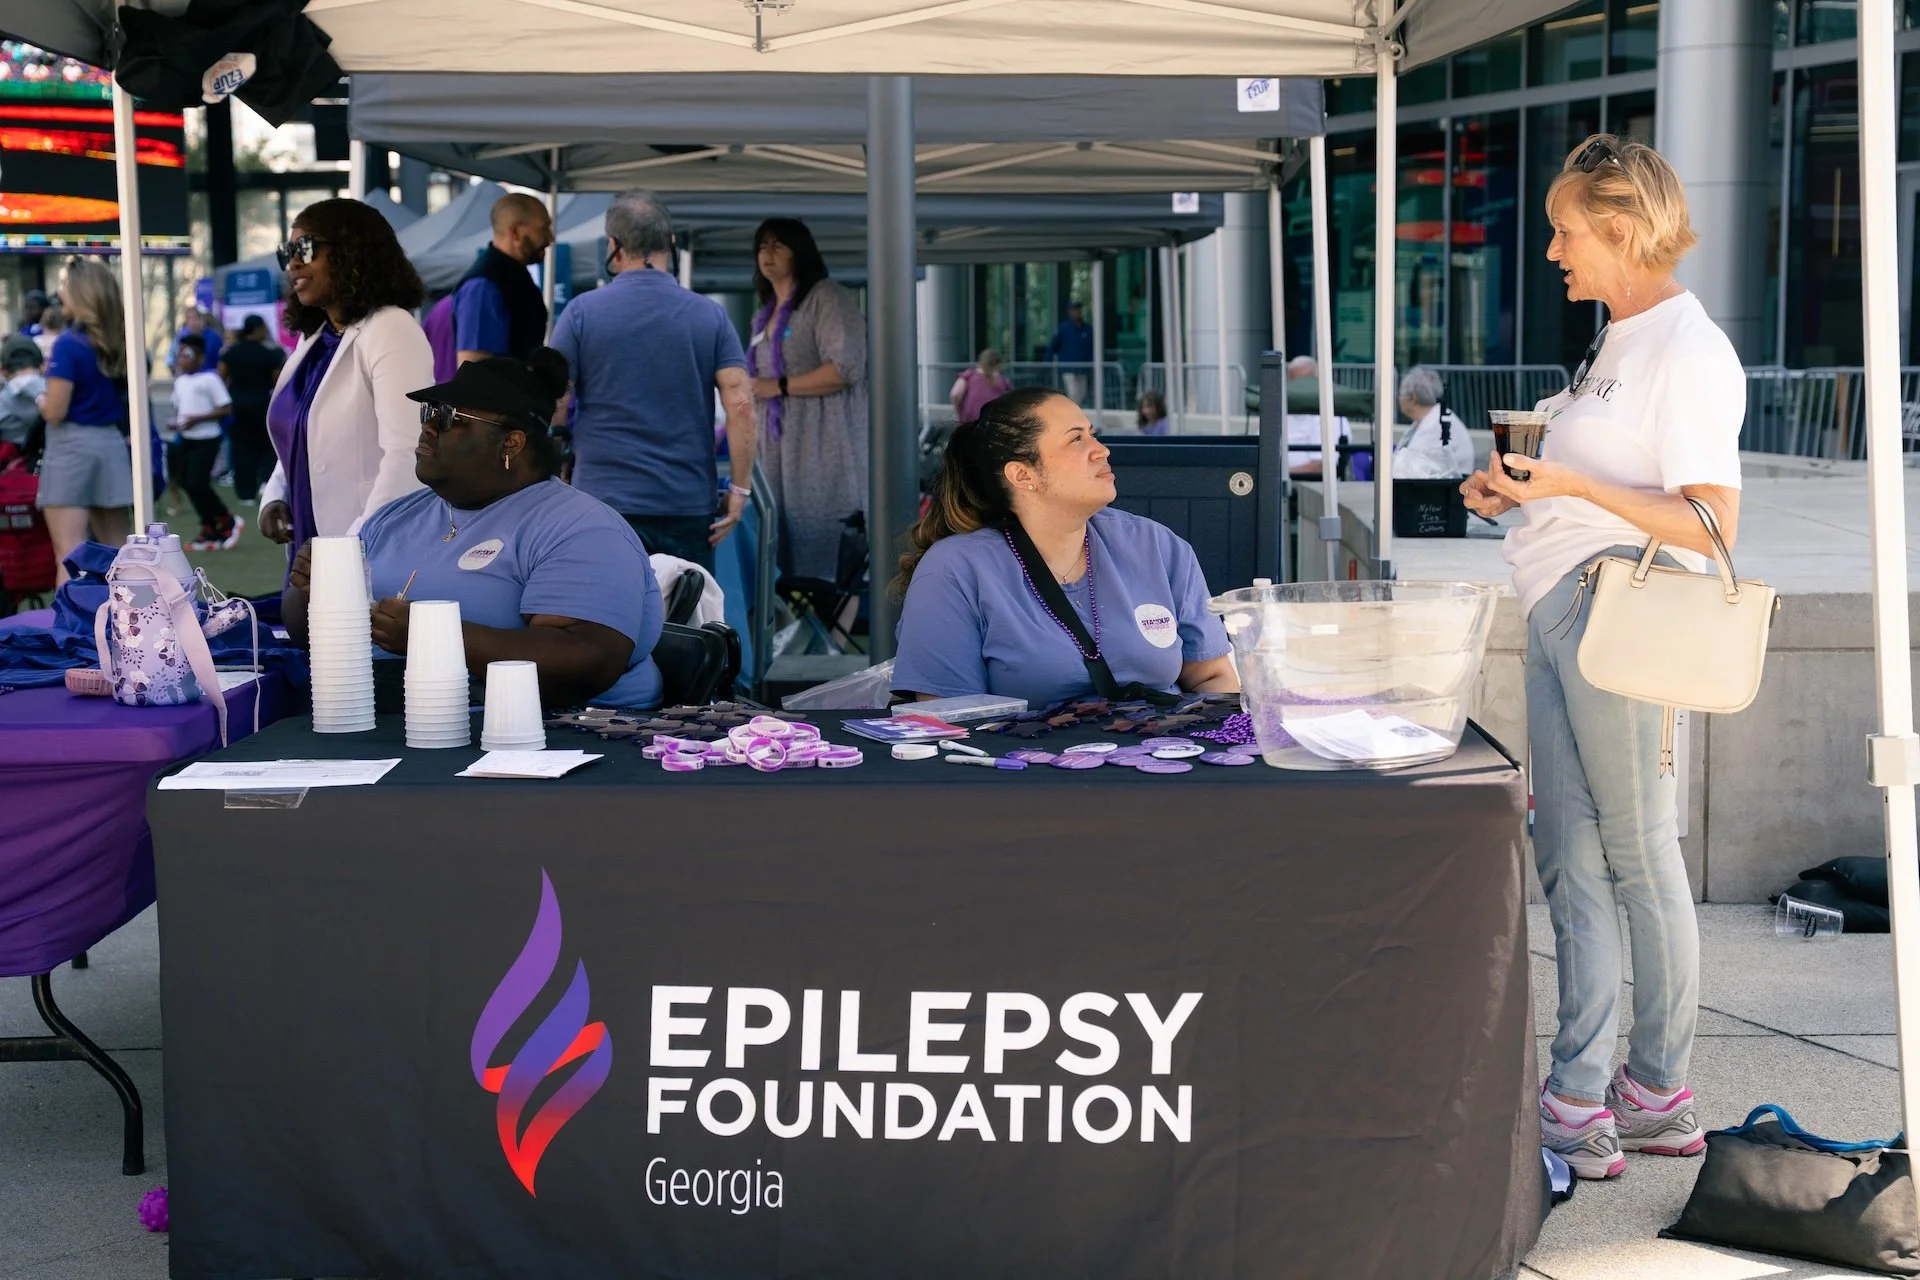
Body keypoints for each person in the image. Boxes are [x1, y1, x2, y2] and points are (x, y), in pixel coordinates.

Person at [1460, 134, 1742, 1181]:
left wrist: (1571, 491)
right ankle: (1579, 1093)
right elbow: (1591, 483)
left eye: (1564, 230)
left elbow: (1712, 523)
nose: (1550, 251)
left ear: (1621, 229)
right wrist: (1515, 491)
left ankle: (1659, 1087)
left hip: (1614, 614)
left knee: (1636, 851)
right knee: (1570, 857)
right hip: (1558, 607)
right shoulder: (1615, 343)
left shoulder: (1688, 349)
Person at [282, 348, 664, 710]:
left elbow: (585, 660)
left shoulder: (579, 529)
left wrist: (432, 636)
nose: (429, 426)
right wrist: (311, 588)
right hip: (392, 718)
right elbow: (307, 635)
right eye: (430, 412)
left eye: (450, 418)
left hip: (546, 737)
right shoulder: (395, 518)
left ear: (511, 443)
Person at [892, 386, 1238, 707]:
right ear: (1022, 475)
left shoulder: (1158, 547)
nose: (1102, 450)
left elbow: (1212, 677)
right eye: (1076, 439)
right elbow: (949, 718)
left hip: (1165, 761)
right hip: (1026, 766)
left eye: (1094, 434)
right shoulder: (953, 571)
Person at [551, 189, 754, 572]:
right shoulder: (710, 316)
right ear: (671, 244)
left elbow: (555, 398)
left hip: (603, 500)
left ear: (614, 246)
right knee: (683, 624)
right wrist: (739, 490)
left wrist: (560, 459)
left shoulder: (580, 313)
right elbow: (741, 404)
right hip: (686, 502)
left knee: (608, 622)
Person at [259, 198, 433, 562]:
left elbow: (407, 454)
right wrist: (277, 493)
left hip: (369, 548)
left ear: (353, 253)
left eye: (305, 248)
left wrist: (351, 547)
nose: (292, 263)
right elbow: (304, 431)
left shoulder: (391, 328)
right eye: (286, 252)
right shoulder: (317, 339)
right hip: (310, 541)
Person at [747, 217, 868, 580]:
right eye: (762, 245)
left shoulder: (826, 298)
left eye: (777, 245)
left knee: (826, 543)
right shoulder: (762, 313)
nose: (767, 254)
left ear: (800, 252)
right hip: (777, 453)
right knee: (781, 543)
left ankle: (830, 633)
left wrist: (778, 386)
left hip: (822, 448)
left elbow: (845, 369)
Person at [37, 257, 132, 585]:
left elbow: (54, 411)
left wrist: (39, 398)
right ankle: (130, 627)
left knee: (69, 554)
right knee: (120, 553)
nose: (61, 294)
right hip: (111, 445)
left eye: (64, 287)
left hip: (71, 448)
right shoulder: (122, 341)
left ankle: (70, 631)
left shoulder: (67, 345)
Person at [428, 192, 555, 378]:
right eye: (544, 228)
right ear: (516, 232)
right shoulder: (483, 287)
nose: (550, 238)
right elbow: (472, 374)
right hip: (499, 405)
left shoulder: (509, 279)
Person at [166, 334, 241, 550]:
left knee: (197, 482)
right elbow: (181, 409)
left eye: (187, 355)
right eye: (179, 355)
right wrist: (177, 422)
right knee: (185, 482)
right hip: (186, 438)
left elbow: (226, 407)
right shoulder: (180, 381)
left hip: (207, 437)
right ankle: (209, 527)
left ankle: (226, 519)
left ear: (200, 358)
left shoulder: (210, 379)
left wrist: (197, 419)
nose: (182, 359)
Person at [217, 314, 287, 503]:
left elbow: (221, 377)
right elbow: (277, 381)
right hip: (263, 405)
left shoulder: (231, 353)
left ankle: (245, 493)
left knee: (242, 450)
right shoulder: (270, 354)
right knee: (267, 447)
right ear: (258, 329)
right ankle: (265, 482)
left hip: (238, 406)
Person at [1393, 366, 1475, 479]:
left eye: (1400, 394)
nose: (1398, 399)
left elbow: (1407, 471)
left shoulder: (1435, 425)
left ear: (1413, 397)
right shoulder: (1427, 420)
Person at [1283, 357, 1348, 478]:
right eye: (1292, 381)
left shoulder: (1331, 416)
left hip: (1309, 486)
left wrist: (1278, 475)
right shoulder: (1281, 410)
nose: (1297, 387)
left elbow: (1321, 466)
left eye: (1303, 382)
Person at [1044, 300, 1094, 405]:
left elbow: (1092, 348)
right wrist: (1047, 362)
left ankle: (1076, 412)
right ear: (1069, 312)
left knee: (1082, 394)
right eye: (1073, 310)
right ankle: (1073, 416)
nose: (1076, 312)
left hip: (1083, 369)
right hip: (1069, 369)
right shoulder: (1063, 328)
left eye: (1077, 309)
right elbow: (1053, 346)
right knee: (1073, 393)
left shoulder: (1087, 329)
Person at [0, 337, 44, 452]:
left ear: (3, 371)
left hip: (13, 465)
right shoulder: (60, 396)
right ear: (42, 367)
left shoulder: (2, 402)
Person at [950, 349, 1012, 426]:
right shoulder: (1001, 381)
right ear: (998, 365)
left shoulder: (969, 375)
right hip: (994, 422)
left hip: (971, 420)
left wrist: (959, 412)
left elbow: (955, 394)